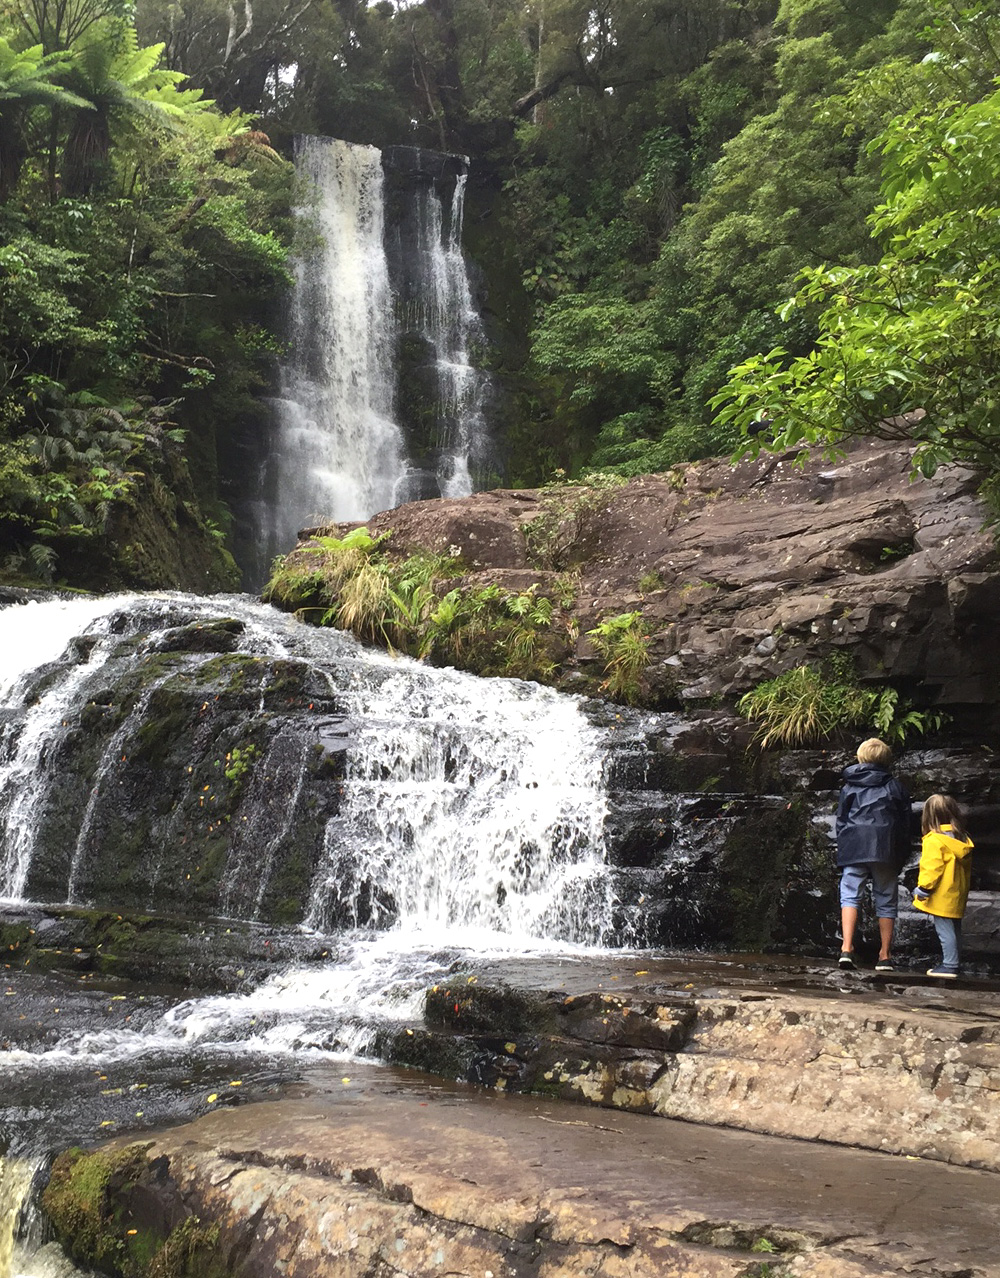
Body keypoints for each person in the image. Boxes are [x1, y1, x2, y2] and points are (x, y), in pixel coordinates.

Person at [835, 738, 913, 972]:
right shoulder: (895, 786)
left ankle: (846, 948)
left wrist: (845, 847)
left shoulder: (849, 786)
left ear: (861, 757)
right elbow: (905, 824)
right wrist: (901, 854)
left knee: (850, 896)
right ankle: (884, 955)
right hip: (885, 848)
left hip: (855, 847)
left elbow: (841, 821)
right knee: (886, 900)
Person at [913, 794, 973, 979]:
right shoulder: (961, 838)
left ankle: (950, 964)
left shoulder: (935, 840)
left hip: (942, 894)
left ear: (928, 816)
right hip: (957, 892)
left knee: (945, 929)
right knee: (954, 929)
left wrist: (923, 888)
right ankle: (954, 961)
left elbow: (932, 867)